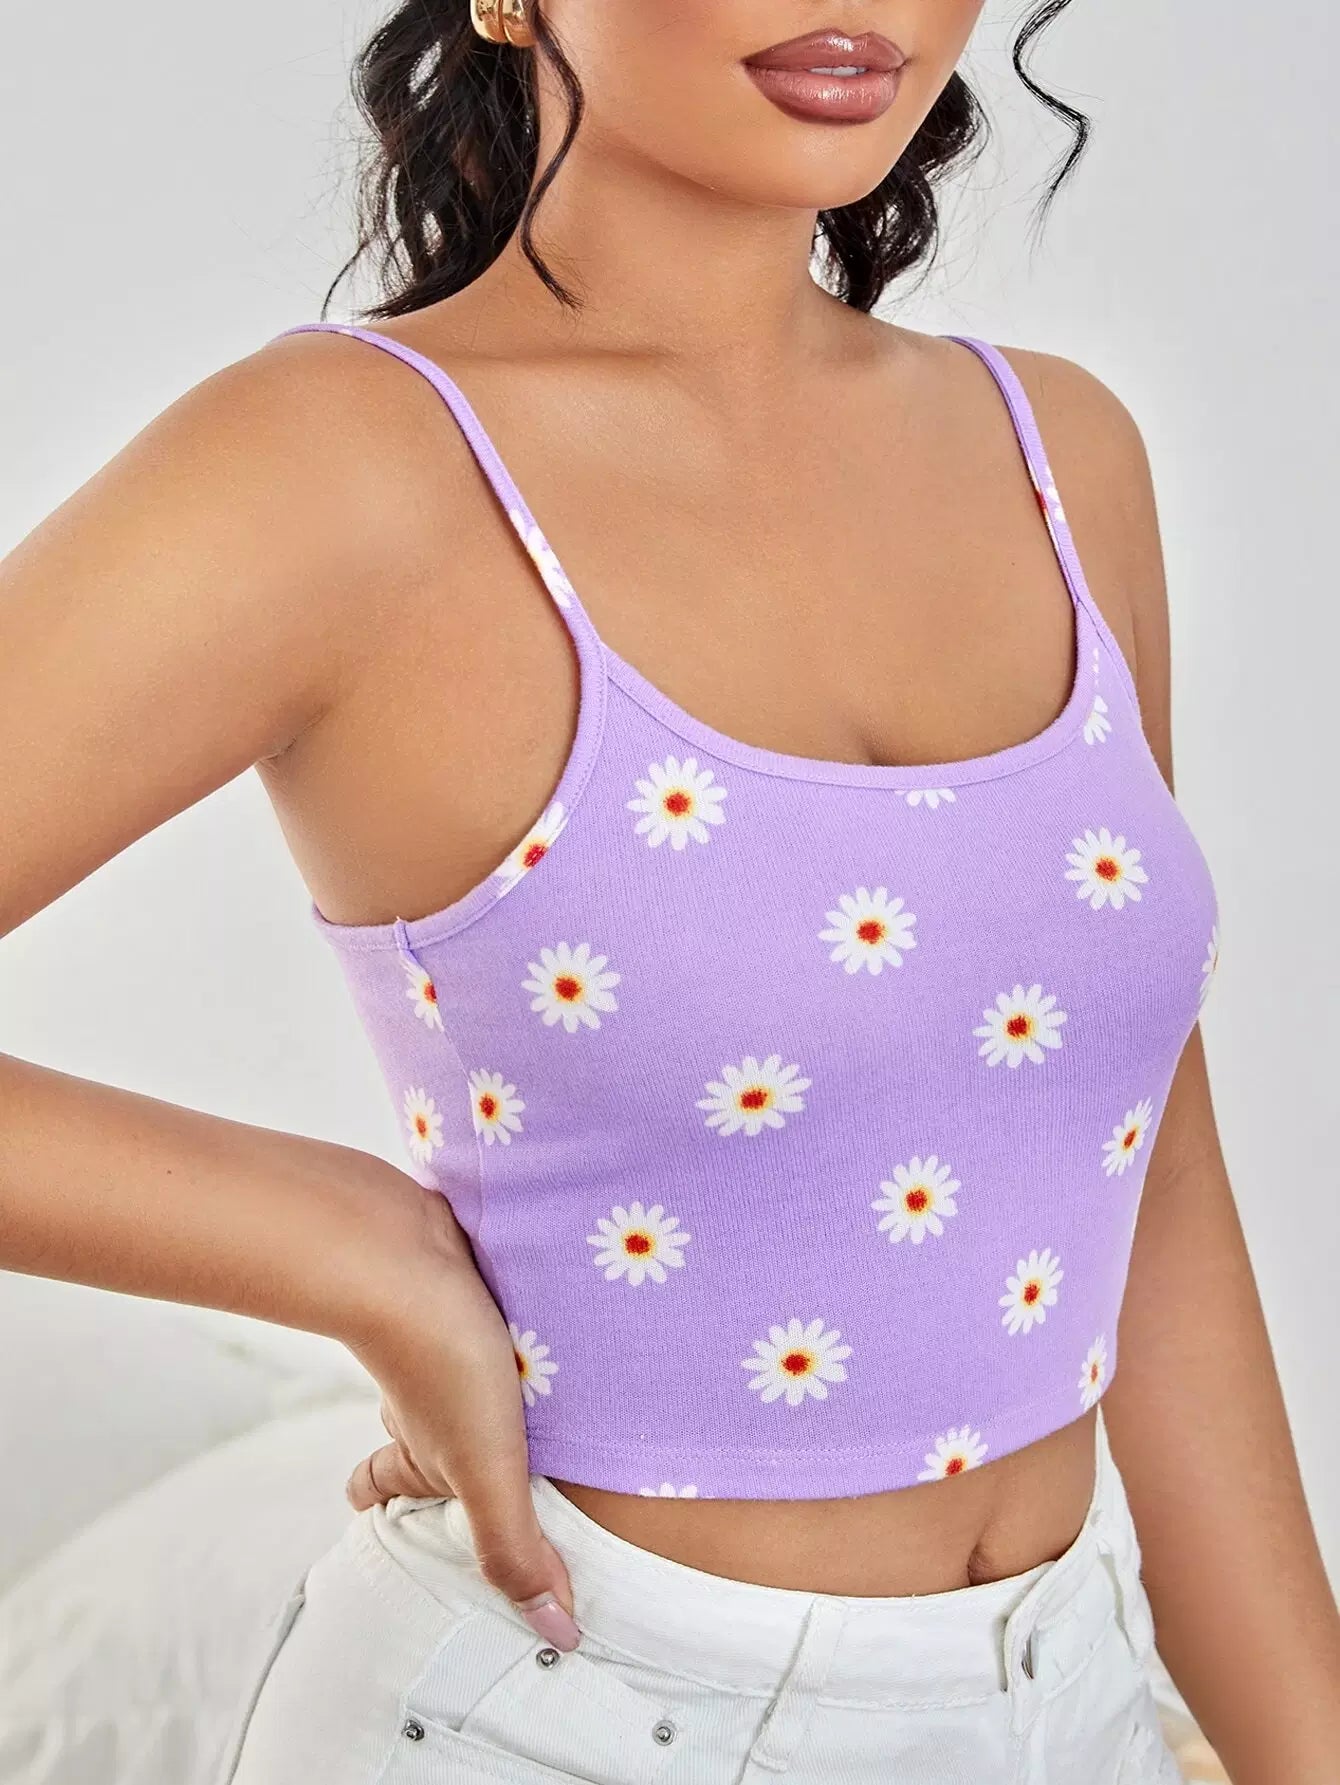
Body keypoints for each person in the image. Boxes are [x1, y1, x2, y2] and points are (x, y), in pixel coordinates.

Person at [1, 1, 1337, 1780]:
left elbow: (1154, 1187)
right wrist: (354, 1248)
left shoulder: (1062, 453)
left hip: (1066, 1698)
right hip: (567, 1712)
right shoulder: (342, 466)